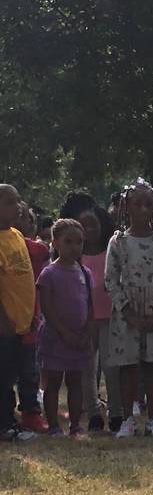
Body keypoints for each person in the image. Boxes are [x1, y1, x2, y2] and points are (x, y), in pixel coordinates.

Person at [104, 181, 153, 440]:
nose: (144, 209)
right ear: (127, 207)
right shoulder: (119, 242)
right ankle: (127, 419)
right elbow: (111, 279)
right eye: (138, 204)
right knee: (128, 366)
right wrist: (127, 311)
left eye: (149, 204)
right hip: (127, 312)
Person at [36, 217, 93, 438]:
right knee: (53, 382)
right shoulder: (49, 274)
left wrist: (86, 330)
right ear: (55, 242)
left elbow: (90, 305)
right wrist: (63, 332)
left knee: (75, 381)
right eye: (68, 242)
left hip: (79, 338)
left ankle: (75, 425)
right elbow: (47, 308)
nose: (74, 247)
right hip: (55, 337)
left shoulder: (85, 273)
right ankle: (53, 426)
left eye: (79, 242)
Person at [0, 184, 38, 443]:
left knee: (14, 373)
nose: (19, 206)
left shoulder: (15, 234)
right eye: (11, 202)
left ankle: (10, 421)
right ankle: (4, 425)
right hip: (5, 325)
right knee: (3, 377)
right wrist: (3, 320)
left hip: (22, 323)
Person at [77, 205, 115, 431]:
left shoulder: (111, 251)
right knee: (87, 367)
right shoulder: (75, 256)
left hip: (110, 317)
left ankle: (116, 411)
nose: (89, 230)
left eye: (93, 225)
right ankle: (92, 412)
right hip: (85, 319)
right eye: (84, 226)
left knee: (112, 367)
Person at [14, 204, 49, 435]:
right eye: (22, 217)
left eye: (30, 219)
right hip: (11, 317)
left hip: (29, 318)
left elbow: (42, 251)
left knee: (29, 371)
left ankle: (31, 413)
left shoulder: (26, 246)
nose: (28, 222)